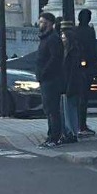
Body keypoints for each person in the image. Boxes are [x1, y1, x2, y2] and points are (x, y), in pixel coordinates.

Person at [35, 13, 64, 148]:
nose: (40, 24)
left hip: (51, 79)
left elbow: (55, 59)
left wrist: (44, 72)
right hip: (46, 78)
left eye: (42, 22)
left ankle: (54, 137)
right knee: (48, 109)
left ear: (49, 23)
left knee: (52, 109)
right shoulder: (45, 39)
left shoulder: (52, 39)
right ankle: (51, 135)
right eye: (40, 21)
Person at [74, 9, 97, 136]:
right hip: (87, 68)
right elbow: (93, 50)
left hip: (78, 68)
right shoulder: (89, 31)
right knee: (83, 98)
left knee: (78, 98)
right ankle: (81, 125)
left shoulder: (75, 31)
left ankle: (78, 124)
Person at [58, 27, 85, 144]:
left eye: (64, 38)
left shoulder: (73, 52)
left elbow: (73, 71)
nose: (62, 40)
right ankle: (70, 131)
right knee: (68, 109)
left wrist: (69, 86)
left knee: (70, 109)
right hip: (69, 84)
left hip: (71, 85)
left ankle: (72, 132)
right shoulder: (70, 51)